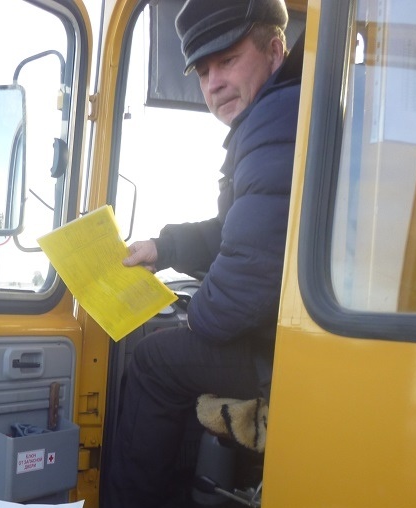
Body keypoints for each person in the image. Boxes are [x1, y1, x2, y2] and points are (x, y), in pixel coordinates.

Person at [103, 0, 301, 506]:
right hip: (284, 335)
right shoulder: (276, 114)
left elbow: (249, 277)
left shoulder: (278, 118)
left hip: (286, 352)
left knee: (154, 360)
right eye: (203, 70)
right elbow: (240, 230)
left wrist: (198, 316)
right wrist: (164, 247)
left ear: (274, 50)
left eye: (228, 60)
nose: (214, 83)